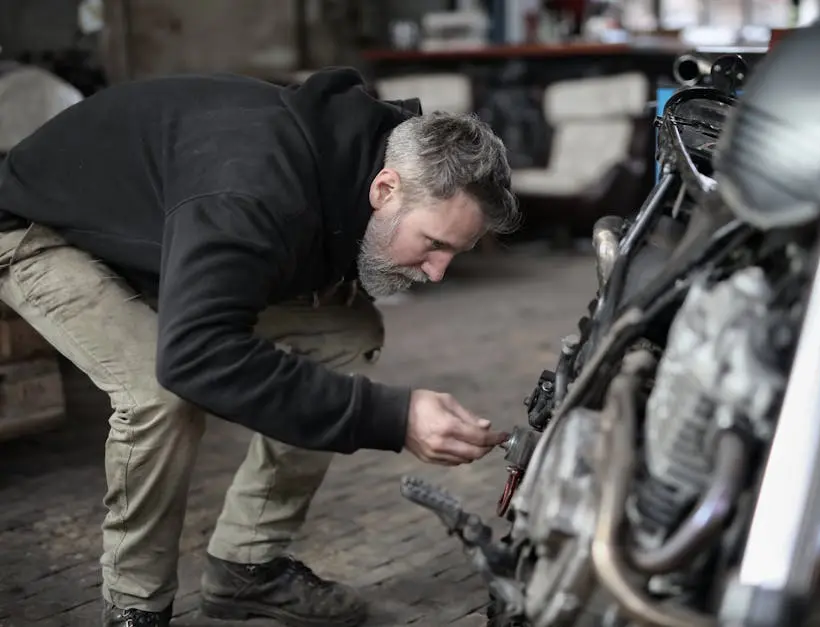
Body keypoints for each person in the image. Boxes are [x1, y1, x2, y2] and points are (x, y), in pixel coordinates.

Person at [0, 66, 519, 627]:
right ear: (385, 188)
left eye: (454, 253)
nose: (438, 273)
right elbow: (195, 355)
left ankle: (246, 568)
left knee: (346, 336)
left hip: (154, 229)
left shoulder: (361, 152)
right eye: (435, 244)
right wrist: (391, 417)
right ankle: (136, 606)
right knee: (157, 390)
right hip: (39, 228)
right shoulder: (256, 191)